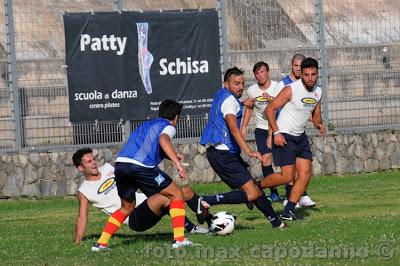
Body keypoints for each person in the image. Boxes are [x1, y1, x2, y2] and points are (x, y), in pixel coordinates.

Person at [92, 99, 195, 250]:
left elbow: (149, 145)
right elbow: (163, 140)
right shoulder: (168, 126)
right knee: (176, 194)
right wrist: (178, 164)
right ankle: (179, 240)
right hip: (140, 167)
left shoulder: (146, 125)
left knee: (127, 207)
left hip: (121, 165)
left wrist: (171, 155)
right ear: (176, 117)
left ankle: (101, 243)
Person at [199, 67, 286, 229]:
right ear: (227, 84)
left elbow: (227, 106)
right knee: (251, 193)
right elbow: (233, 127)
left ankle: (276, 222)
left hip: (219, 152)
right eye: (236, 84)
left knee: (254, 189)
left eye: (242, 84)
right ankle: (206, 200)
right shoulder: (231, 102)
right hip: (223, 154)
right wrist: (248, 150)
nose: (240, 87)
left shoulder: (221, 94)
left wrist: (242, 102)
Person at [72, 148, 210, 245]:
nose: (94, 163)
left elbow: (133, 166)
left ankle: (211, 222)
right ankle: (181, 239)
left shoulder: (109, 168)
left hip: (148, 203)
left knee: (186, 191)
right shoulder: (84, 191)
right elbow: (82, 217)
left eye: (94, 159)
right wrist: (77, 242)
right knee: (167, 196)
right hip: (134, 217)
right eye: (89, 162)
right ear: (80, 168)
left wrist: (168, 155)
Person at [262, 57, 326, 221]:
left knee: (305, 174)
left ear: (317, 73)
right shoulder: (291, 89)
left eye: (313, 74)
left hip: (300, 136)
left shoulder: (318, 91)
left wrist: (319, 124)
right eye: (306, 75)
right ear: (301, 74)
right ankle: (255, 187)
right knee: (287, 177)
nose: (310, 78)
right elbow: (269, 109)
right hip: (284, 135)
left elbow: (316, 115)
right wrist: (275, 133)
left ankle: (288, 211)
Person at [275, 54, 316, 208]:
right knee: (289, 172)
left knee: (303, 170)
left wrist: (317, 122)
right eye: (296, 66)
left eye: (301, 66)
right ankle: (289, 196)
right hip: (284, 131)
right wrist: (273, 133)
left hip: (299, 131)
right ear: (292, 65)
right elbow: (273, 109)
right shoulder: (285, 86)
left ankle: (301, 196)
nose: (298, 69)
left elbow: (305, 108)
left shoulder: (309, 87)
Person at [240, 61, 280, 202]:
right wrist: (244, 126)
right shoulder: (252, 90)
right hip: (261, 129)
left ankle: (298, 193)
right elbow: (249, 108)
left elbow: (281, 107)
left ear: (267, 71)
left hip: (279, 128)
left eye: (262, 72)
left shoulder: (277, 87)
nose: (260, 75)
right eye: (257, 73)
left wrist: (273, 101)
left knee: (287, 163)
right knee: (266, 160)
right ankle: (273, 192)